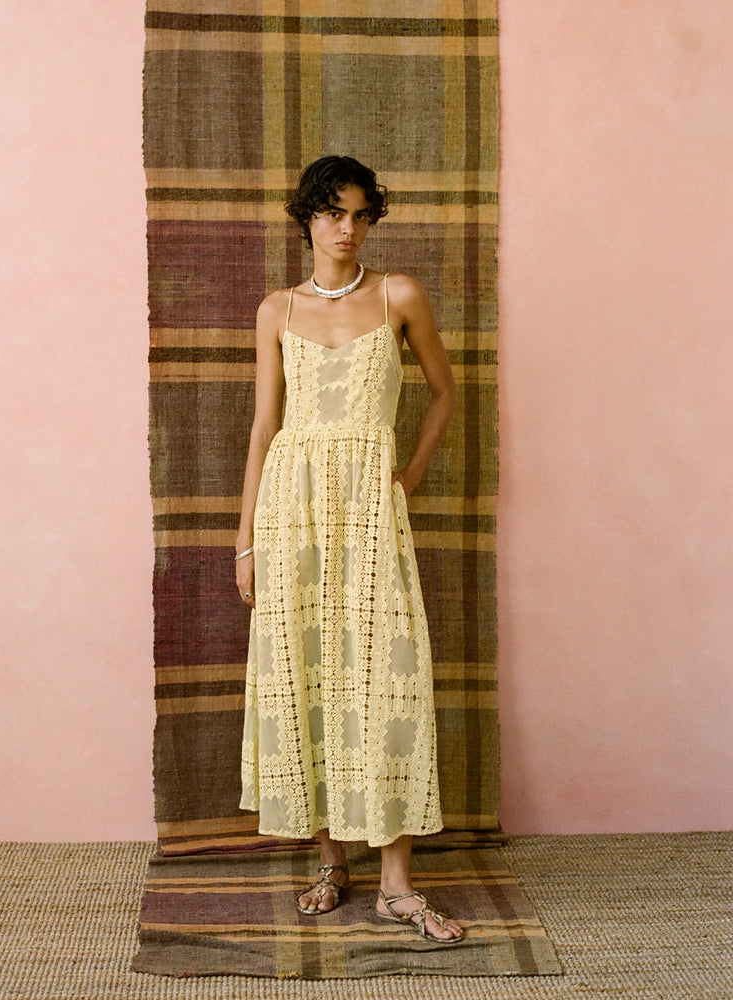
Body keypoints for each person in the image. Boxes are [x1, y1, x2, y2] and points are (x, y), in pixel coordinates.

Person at [235, 155, 462, 943]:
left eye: (362, 214)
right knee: (309, 669)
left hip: (369, 505)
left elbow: (443, 389)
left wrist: (409, 473)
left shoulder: (399, 296)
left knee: (382, 673)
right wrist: (244, 543)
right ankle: (331, 860)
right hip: (290, 509)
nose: (348, 227)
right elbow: (266, 427)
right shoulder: (277, 310)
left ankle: (397, 882)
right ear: (307, 219)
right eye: (333, 213)